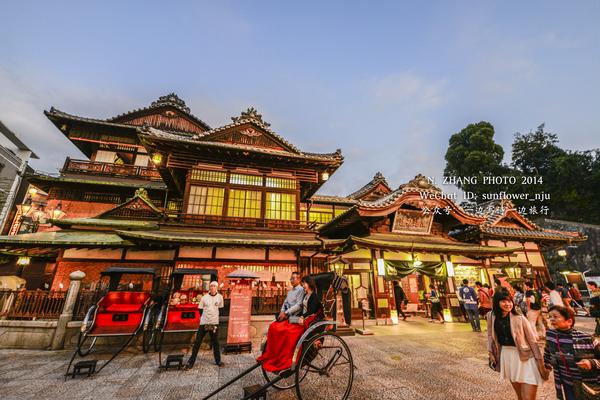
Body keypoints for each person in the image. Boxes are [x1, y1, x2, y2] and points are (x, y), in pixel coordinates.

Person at [487, 289, 548, 400]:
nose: (508, 304)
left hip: (525, 357)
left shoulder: (520, 317)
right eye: (503, 301)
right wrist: (490, 352)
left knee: (528, 398)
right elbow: (490, 335)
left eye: (509, 301)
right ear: (497, 302)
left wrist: (540, 362)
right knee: (520, 397)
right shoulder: (491, 316)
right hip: (507, 356)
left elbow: (532, 341)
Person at [258, 275, 323, 372]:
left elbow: (312, 311)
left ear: (309, 284)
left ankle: (287, 357)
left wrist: (302, 317)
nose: (303, 285)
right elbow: (296, 306)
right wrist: (286, 313)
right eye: (303, 283)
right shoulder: (305, 295)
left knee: (289, 332)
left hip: (308, 321)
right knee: (278, 326)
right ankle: (276, 354)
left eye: (304, 283)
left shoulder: (314, 296)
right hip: (301, 318)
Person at [544, 305, 600, 400]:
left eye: (555, 317)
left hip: (587, 384)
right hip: (566, 382)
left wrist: (591, 363)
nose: (552, 319)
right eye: (550, 317)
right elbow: (547, 353)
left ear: (569, 321)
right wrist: (546, 367)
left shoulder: (587, 339)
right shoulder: (551, 335)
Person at [186, 281, 224, 368]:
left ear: (217, 287)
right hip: (204, 322)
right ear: (209, 288)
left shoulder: (220, 297)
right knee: (198, 342)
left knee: (215, 343)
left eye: (214, 286)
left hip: (214, 323)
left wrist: (214, 318)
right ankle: (191, 362)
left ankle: (218, 361)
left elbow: (221, 309)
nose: (212, 288)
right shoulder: (204, 297)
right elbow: (200, 309)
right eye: (211, 286)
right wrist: (205, 318)